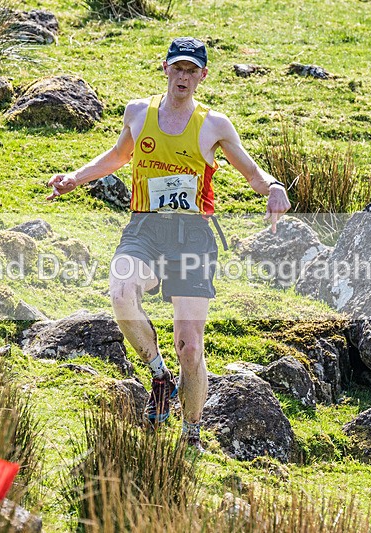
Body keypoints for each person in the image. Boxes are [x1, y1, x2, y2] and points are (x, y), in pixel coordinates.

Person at [47, 37, 291, 451]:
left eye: (191, 70)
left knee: (190, 347)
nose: (183, 77)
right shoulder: (138, 113)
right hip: (145, 229)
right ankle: (160, 376)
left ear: (202, 76)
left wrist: (273, 187)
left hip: (193, 237)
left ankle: (191, 433)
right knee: (122, 292)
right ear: (165, 69)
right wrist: (75, 178)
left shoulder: (214, 125)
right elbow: (118, 156)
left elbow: (251, 170)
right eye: (177, 68)